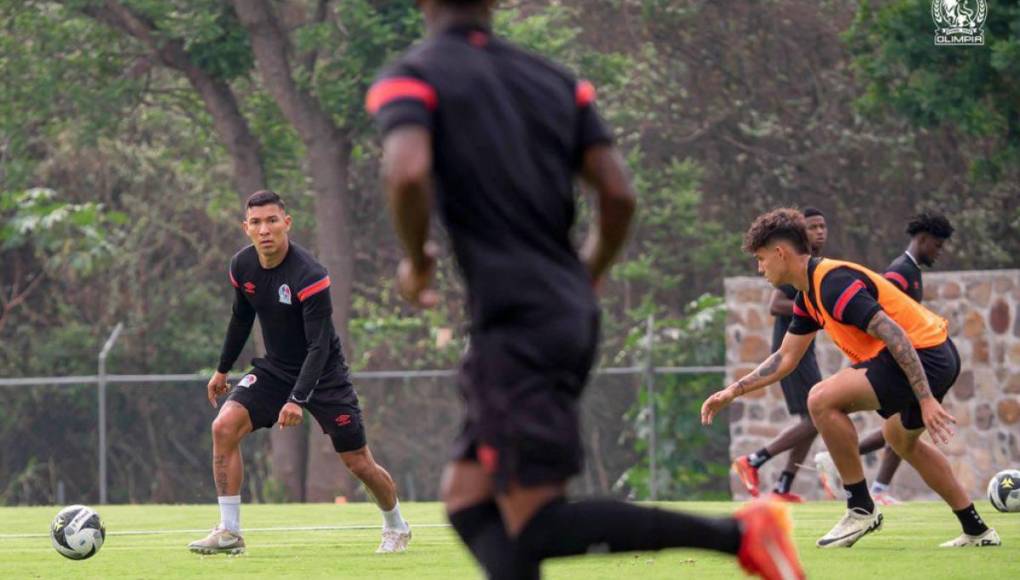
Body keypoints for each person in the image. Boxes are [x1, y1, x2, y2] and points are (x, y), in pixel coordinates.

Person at [367, 1, 804, 578]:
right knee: (470, 503)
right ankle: (742, 532)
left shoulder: (413, 76)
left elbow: (405, 171)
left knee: (533, 518)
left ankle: (743, 532)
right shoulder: (555, 81)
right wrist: (588, 271)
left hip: (518, 321)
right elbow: (618, 194)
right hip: (556, 310)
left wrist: (417, 264)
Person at [702, 208, 999, 549]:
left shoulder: (832, 283)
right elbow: (785, 358)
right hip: (936, 354)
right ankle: (977, 529)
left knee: (821, 398)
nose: (760, 268)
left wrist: (926, 398)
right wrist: (732, 391)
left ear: (780, 253)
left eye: (761, 258)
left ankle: (860, 508)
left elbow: (895, 334)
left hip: (924, 356)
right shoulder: (809, 295)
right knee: (901, 441)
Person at [188, 190, 411, 555]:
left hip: (324, 375)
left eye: (272, 220)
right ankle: (229, 532)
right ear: (246, 228)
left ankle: (396, 526)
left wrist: (297, 399)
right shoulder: (242, 266)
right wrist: (222, 369)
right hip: (276, 368)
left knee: (358, 462)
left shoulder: (310, 274)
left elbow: (319, 346)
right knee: (223, 427)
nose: (265, 230)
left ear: (286, 223)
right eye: (256, 223)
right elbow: (241, 318)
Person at [815, 211, 955, 505]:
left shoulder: (913, 271)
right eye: (937, 245)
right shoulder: (898, 273)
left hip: (911, 359)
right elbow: (883, 323)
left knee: (901, 433)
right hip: (897, 362)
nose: (939, 252)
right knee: (901, 430)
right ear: (923, 238)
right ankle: (872, 486)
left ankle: (874, 484)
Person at [733, 206, 827, 502]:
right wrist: (816, 309)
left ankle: (783, 486)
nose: (819, 232)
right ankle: (754, 460)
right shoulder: (790, 269)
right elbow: (775, 305)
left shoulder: (814, 266)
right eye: (812, 227)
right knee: (816, 418)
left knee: (812, 420)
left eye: (823, 226)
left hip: (805, 353)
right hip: (790, 352)